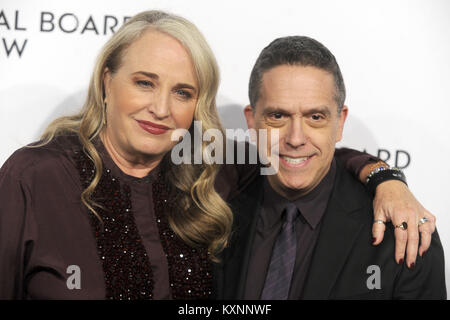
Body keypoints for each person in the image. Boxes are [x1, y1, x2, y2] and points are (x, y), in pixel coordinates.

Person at [0, 10, 437, 300]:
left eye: (182, 92)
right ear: (106, 82)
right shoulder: (34, 177)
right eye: (144, 82)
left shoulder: (207, 171)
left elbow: (306, 154)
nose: (161, 108)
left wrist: (385, 177)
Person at [216, 36, 446, 299]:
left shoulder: (404, 232)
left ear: (339, 123)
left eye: (315, 117)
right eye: (278, 116)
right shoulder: (215, 209)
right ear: (252, 121)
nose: (295, 138)